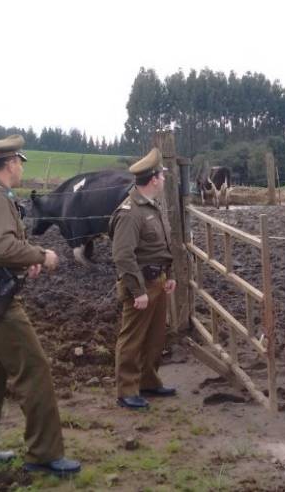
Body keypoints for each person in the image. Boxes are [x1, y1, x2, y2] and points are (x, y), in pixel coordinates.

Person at [0, 134, 81, 477]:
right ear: (10, 163)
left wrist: (22, 262)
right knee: (34, 369)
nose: (21, 169)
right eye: (20, 163)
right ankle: (44, 454)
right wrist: (42, 255)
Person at [110, 147, 177, 410]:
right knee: (133, 338)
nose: (163, 179)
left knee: (155, 337)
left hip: (158, 281)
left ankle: (149, 381)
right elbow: (123, 256)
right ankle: (126, 390)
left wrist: (167, 275)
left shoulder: (152, 207)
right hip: (141, 285)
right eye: (162, 175)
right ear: (153, 179)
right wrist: (138, 291)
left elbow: (160, 247)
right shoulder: (130, 212)